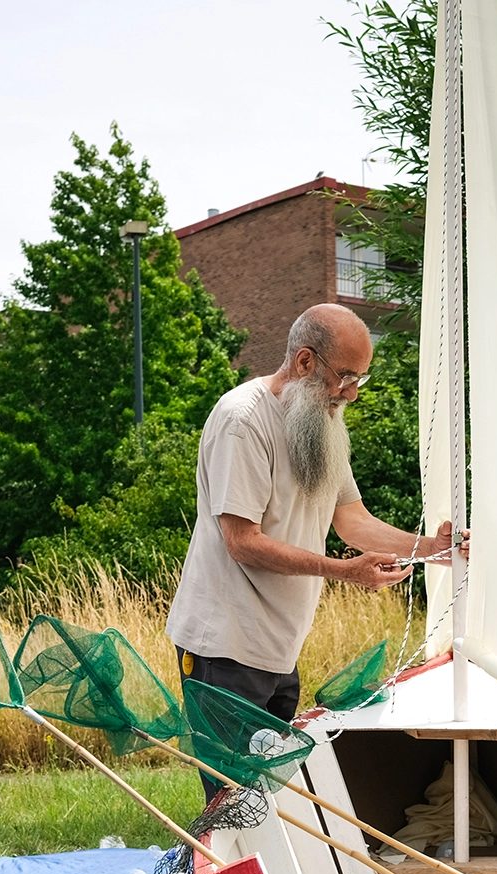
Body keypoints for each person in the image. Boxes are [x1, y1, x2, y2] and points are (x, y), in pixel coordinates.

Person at [166, 304, 455, 797]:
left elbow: (352, 520)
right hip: (225, 647)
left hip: (278, 647)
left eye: (360, 378)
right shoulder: (243, 420)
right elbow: (242, 542)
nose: (352, 393)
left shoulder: (320, 421)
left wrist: (431, 549)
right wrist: (344, 571)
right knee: (232, 802)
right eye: (345, 377)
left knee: (270, 797)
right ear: (304, 362)